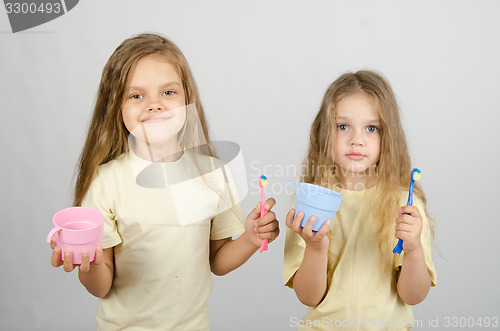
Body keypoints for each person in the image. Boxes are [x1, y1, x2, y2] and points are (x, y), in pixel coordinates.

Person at [49, 33, 279, 330]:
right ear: (116, 106)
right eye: (136, 95)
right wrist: (89, 262)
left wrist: (249, 238)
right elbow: (101, 286)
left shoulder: (213, 174)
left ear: (187, 99)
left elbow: (218, 262)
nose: (154, 105)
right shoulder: (106, 182)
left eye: (168, 93)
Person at [283, 71, 436, 330]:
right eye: (343, 127)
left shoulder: (405, 204)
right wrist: (316, 248)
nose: (356, 139)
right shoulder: (311, 201)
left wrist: (413, 250)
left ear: (388, 136)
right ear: (324, 133)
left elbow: (414, 296)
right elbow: (308, 297)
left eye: (371, 128)